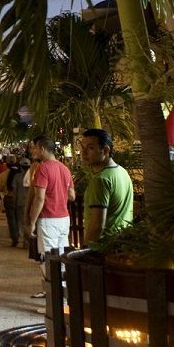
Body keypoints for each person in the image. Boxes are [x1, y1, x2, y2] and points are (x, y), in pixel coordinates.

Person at [26, 135, 75, 298]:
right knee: (61, 257)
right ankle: (62, 296)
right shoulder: (64, 168)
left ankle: (55, 301)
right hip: (64, 219)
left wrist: (31, 222)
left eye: (35, 147)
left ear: (42, 149)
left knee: (47, 260)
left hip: (48, 219)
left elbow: (39, 198)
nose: (34, 150)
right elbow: (72, 196)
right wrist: (58, 196)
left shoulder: (44, 168)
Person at [78, 128, 134, 247]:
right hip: (122, 245)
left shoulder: (100, 180)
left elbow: (97, 225)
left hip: (102, 249)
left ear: (106, 150)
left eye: (90, 148)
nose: (84, 152)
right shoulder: (122, 172)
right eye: (82, 147)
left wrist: (85, 250)